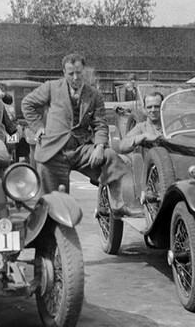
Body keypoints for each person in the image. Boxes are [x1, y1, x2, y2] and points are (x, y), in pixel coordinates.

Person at [21, 53, 131, 212]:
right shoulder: (51, 87)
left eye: (79, 72)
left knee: (111, 158)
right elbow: (27, 104)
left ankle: (116, 204)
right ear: (64, 73)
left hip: (80, 150)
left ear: (84, 71)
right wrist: (38, 128)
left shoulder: (94, 95)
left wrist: (100, 146)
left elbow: (100, 123)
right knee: (52, 202)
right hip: (54, 150)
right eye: (71, 73)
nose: (75, 77)